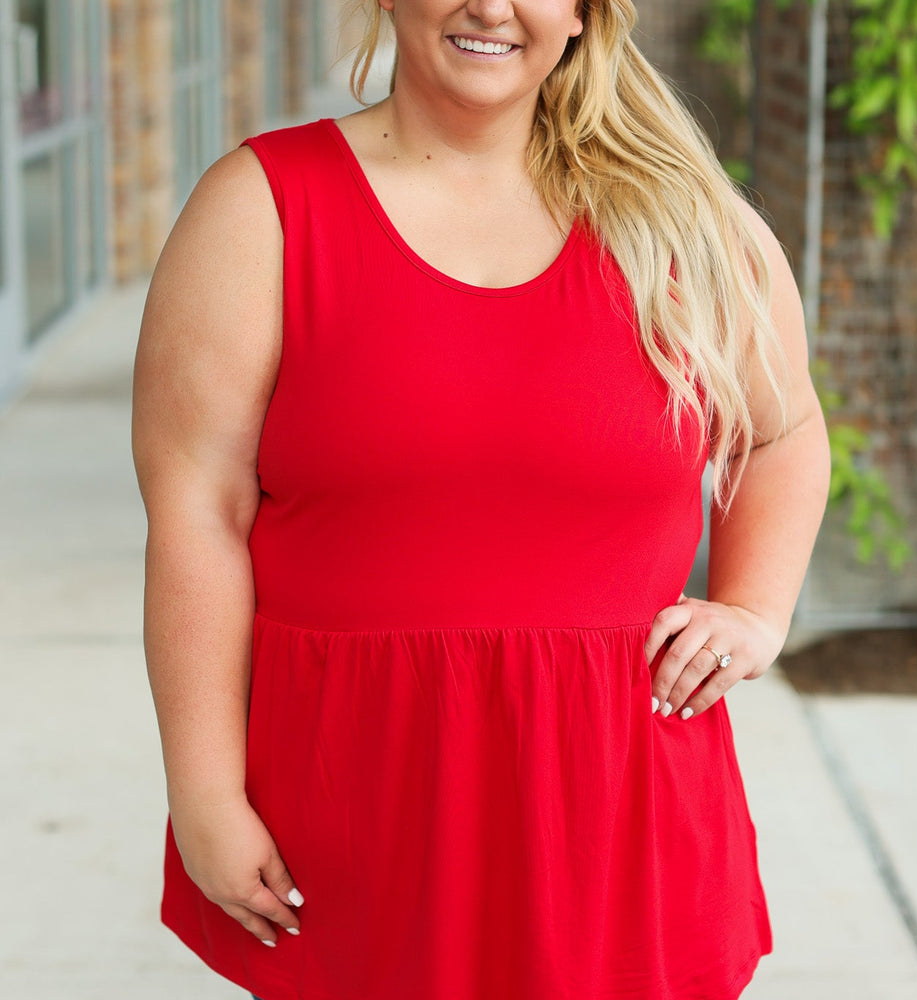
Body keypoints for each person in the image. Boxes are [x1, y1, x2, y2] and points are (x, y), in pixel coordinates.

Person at [132, 0, 831, 997]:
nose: (493, 7)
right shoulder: (262, 207)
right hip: (354, 812)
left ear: (585, 14)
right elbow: (199, 508)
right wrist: (202, 789)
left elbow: (785, 432)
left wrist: (756, 610)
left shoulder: (685, 223)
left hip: (617, 816)